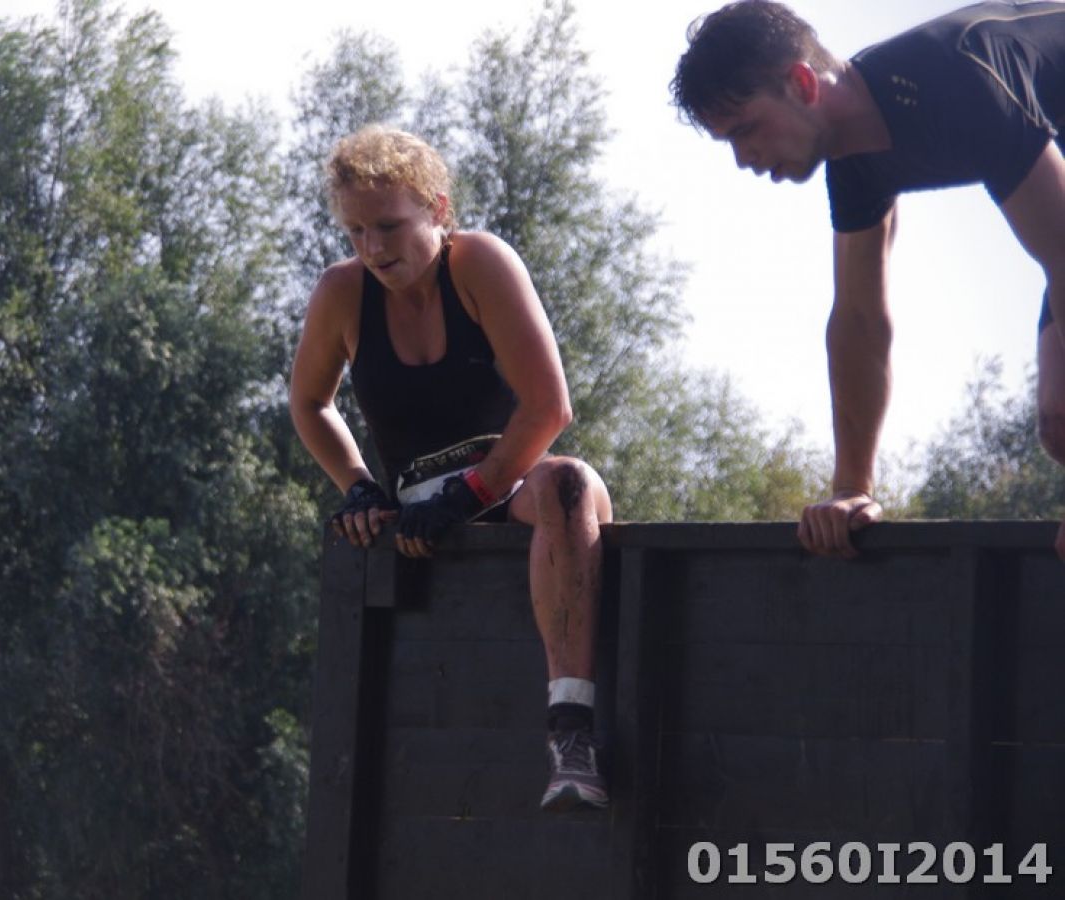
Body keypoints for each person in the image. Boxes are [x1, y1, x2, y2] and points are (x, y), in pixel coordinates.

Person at [289, 125, 613, 811]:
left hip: (513, 484)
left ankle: (572, 733)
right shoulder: (342, 292)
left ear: (437, 209)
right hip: (417, 511)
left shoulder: (480, 263)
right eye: (355, 231)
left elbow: (549, 407)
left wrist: (472, 492)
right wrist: (358, 487)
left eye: (388, 226)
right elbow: (310, 404)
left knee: (570, 482)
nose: (373, 248)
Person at [671, 0, 1065, 560]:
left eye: (746, 129)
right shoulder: (856, 163)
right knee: (1060, 419)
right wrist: (851, 490)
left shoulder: (962, 79)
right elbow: (859, 317)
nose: (742, 159)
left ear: (802, 83)